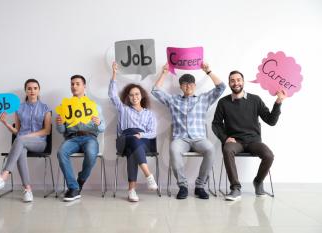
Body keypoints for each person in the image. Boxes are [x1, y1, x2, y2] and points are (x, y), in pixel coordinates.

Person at [151, 63, 226, 199]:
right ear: (180, 87)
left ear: (195, 86)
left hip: (199, 138)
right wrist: (164, 73)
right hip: (181, 139)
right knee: (173, 149)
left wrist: (208, 71)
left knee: (210, 149)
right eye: (185, 84)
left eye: (191, 84)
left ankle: (200, 186)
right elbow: (155, 91)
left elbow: (221, 87)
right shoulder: (173, 100)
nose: (188, 86)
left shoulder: (203, 99)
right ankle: (183, 186)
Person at [212, 70, 287, 201]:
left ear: (243, 81)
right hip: (235, 142)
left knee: (268, 155)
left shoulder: (255, 100)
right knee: (227, 149)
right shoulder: (223, 102)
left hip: (253, 141)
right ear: (229, 83)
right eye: (232, 80)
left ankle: (258, 182)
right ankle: (235, 188)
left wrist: (278, 102)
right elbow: (216, 124)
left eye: (238, 80)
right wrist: (225, 138)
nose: (236, 83)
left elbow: (271, 121)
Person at [0, 79, 51, 202]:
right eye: (29, 88)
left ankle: (3, 176)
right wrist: (5, 123)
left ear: (39, 90)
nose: (32, 91)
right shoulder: (19, 108)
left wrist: (27, 136)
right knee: (21, 146)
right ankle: (27, 190)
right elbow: (17, 130)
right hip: (22, 142)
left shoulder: (45, 108)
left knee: (20, 140)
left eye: (35, 88)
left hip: (40, 143)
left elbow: (47, 131)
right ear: (25, 91)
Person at [109, 62, 158, 202]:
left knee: (134, 146)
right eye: (131, 95)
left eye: (137, 94)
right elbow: (112, 95)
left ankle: (132, 190)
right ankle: (148, 175)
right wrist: (114, 73)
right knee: (131, 140)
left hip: (143, 141)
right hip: (124, 140)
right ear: (128, 97)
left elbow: (153, 132)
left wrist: (141, 135)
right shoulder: (123, 109)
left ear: (141, 96)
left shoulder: (149, 114)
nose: (134, 97)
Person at [56, 75, 105, 202]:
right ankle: (73, 188)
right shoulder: (65, 106)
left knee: (91, 153)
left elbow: (102, 128)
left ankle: (81, 179)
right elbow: (61, 130)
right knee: (61, 152)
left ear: (84, 86)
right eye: (72, 84)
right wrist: (60, 123)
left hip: (89, 138)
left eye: (77, 84)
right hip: (72, 138)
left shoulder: (94, 106)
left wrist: (99, 122)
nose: (74, 86)